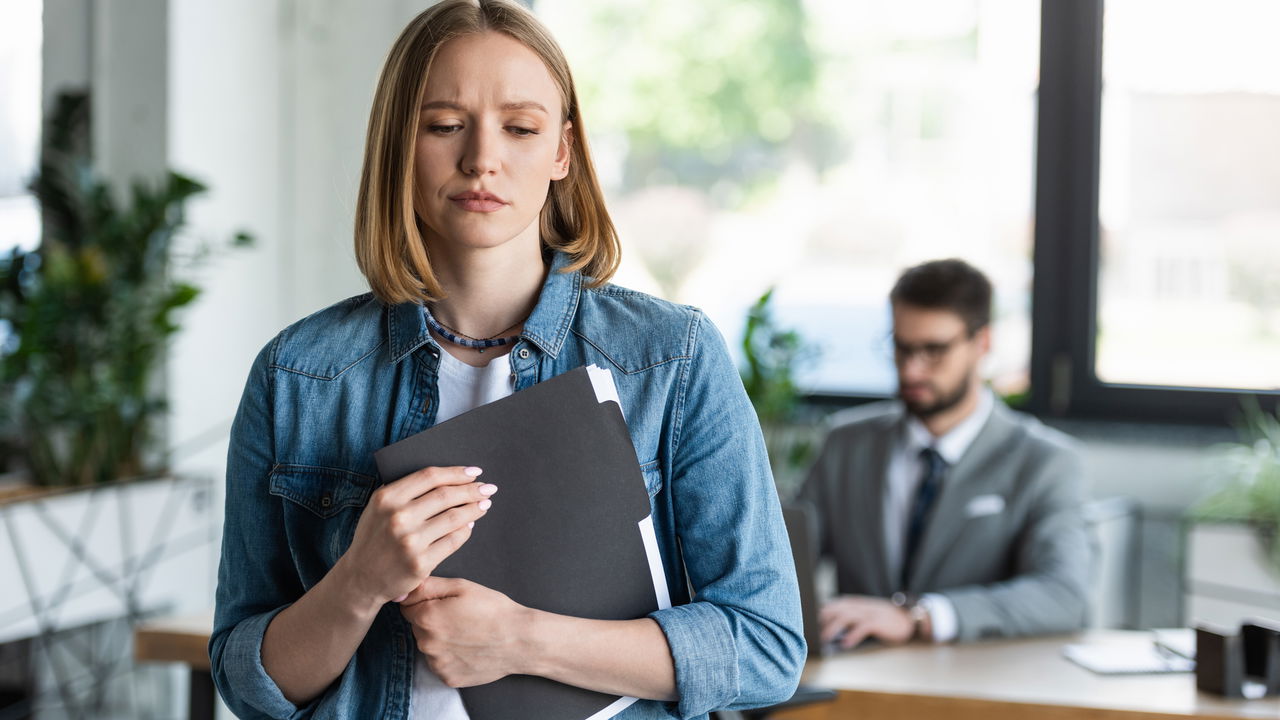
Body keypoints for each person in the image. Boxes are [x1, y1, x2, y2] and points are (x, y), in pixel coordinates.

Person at [208, 2, 804, 718]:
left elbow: (766, 648)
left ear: (563, 151)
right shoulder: (298, 375)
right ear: (400, 142)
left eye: (520, 127)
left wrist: (524, 641)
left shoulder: (670, 359)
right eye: (444, 125)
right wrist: (359, 582)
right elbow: (246, 684)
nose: (481, 159)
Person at [798, 259, 1090, 649]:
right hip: (856, 680)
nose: (912, 371)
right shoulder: (845, 444)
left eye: (934, 351)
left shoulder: (1045, 462)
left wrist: (919, 617)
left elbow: (1063, 595)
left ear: (982, 343)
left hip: (976, 689)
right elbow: (783, 563)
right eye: (901, 349)